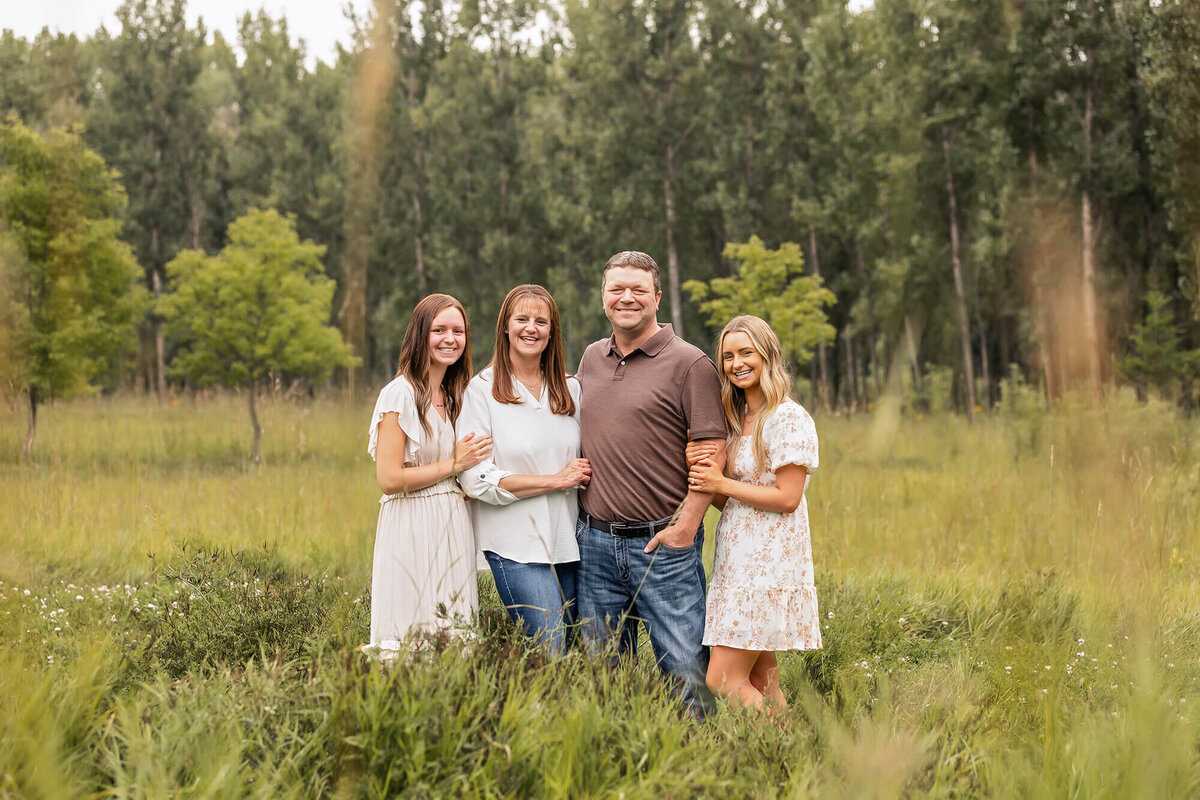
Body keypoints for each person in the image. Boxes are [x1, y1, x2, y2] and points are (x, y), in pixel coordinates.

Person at [575, 250, 727, 717]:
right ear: (603, 297)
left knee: (685, 673)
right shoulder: (591, 358)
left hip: (663, 547)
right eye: (616, 289)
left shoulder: (690, 364)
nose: (627, 298)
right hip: (595, 544)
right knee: (603, 678)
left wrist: (684, 530)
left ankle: (698, 773)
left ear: (657, 297)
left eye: (638, 289)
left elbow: (712, 453)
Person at [686, 315, 822, 710]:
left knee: (723, 679)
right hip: (735, 560)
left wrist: (722, 482)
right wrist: (703, 476)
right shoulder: (735, 419)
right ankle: (787, 758)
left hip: (769, 565)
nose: (736, 363)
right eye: (728, 356)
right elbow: (731, 502)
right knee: (762, 679)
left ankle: (788, 753)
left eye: (746, 352)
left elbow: (787, 498)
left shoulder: (787, 417)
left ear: (767, 355)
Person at [457, 285, 591, 655]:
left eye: (541, 321)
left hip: (570, 542)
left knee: (581, 653)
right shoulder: (482, 391)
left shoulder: (570, 390)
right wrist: (554, 480)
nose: (531, 328)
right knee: (550, 650)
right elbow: (476, 479)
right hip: (515, 546)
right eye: (522, 319)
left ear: (552, 331)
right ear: (505, 327)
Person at [365, 293, 492, 660]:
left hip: (452, 523)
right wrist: (452, 465)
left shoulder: (455, 395)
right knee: (410, 632)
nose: (449, 338)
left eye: (458, 330)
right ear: (420, 334)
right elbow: (388, 478)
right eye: (439, 330)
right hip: (410, 523)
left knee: (453, 632)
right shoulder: (399, 394)